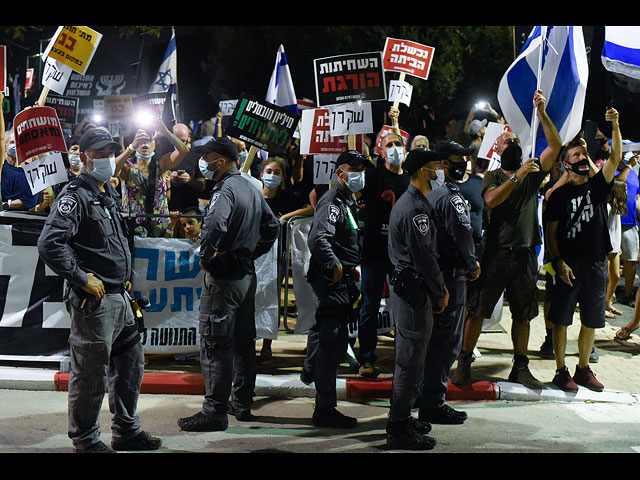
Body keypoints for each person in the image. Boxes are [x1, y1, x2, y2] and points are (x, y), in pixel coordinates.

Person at [37, 127, 161, 453]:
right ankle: (86, 440)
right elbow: (50, 243)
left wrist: (125, 277)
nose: (107, 158)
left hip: (120, 296)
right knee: (91, 374)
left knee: (131, 368)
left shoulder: (106, 193)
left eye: (110, 152)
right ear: (83, 157)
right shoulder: (74, 195)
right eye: (100, 153)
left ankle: (127, 432)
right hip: (95, 301)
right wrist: (80, 278)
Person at [451, 90, 562, 390]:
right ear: (496, 149)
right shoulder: (494, 176)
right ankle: (463, 364)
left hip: (525, 254)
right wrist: (518, 175)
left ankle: (521, 367)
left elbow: (556, 145)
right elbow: (490, 201)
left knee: (523, 313)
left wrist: (541, 112)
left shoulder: (533, 171)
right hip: (497, 253)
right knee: (478, 310)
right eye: (506, 140)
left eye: (514, 140)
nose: (511, 141)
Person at [177, 136, 280, 431]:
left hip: (224, 279)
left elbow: (214, 226)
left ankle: (214, 412)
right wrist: (249, 253)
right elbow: (271, 228)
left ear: (220, 161)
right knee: (243, 344)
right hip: (246, 276)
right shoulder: (251, 187)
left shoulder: (225, 190)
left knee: (215, 345)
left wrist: (209, 257)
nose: (202, 162)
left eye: (206, 157)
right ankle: (242, 402)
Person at [546, 108, 622, 392]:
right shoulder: (558, 196)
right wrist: (558, 260)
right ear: (565, 164)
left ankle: (582, 369)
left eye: (583, 154)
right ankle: (560, 370)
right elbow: (552, 233)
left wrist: (614, 125)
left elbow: (614, 158)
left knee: (591, 319)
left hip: (595, 263)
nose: (581, 158)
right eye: (575, 155)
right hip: (569, 264)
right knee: (561, 319)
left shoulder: (598, 186)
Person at [385, 147, 449, 450]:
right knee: (410, 362)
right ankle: (398, 427)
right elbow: (424, 258)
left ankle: (402, 417)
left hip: (411, 290)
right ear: (424, 171)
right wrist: (440, 290)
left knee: (412, 360)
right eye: (436, 165)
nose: (440, 169)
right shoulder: (414, 210)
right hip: (414, 292)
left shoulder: (414, 203)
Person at [301, 150, 368, 429]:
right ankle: (325, 408)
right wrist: (335, 264)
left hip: (343, 280)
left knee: (326, 331)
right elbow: (318, 238)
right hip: (333, 279)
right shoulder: (332, 200)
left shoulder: (346, 200)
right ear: (340, 173)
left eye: (362, 169)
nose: (359, 174)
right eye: (354, 169)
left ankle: (310, 370)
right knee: (332, 341)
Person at [416, 141, 481, 425]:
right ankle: (433, 402)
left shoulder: (426, 193)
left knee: (431, 341)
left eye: (464, 158)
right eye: (456, 159)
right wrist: (472, 263)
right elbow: (463, 234)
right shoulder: (451, 196)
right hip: (451, 277)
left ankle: (422, 394)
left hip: (431, 275)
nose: (461, 164)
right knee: (446, 343)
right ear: (442, 163)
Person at [357, 128, 410, 378]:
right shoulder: (373, 176)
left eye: (397, 144)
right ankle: (367, 358)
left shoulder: (410, 180)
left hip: (402, 256)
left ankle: (404, 357)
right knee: (369, 307)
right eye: (389, 145)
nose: (394, 148)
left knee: (404, 308)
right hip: (374, 254)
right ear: (380, 151)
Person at [258, 157, 313, 363]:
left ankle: (266, 346)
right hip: (253, 257)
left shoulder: (287, 197)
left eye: (277, 172)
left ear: (283, 178)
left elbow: (310, 208)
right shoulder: (254, 195)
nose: (272, 175)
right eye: (269, 171)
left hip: (276, 258)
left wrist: (286, 217)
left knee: (270, 298)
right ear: (261, 174)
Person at [115, 117, 189, 237]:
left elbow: (183, 151)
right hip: (133, 227)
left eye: (149, 140)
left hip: (159, 228)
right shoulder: (127, 167)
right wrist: (130, 147)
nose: (145, 144)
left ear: (155, 144)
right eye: (141, 140)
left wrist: (166, 132)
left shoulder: (162, 164)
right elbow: (112, 170)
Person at [617, 149, 640, 307]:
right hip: (615, 221)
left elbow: (637, 196)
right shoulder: (613, 170)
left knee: (631, 259)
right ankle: (608, 295)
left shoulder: (634, 174)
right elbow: (617, 184)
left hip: (630, 222)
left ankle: (627, 293)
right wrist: (628, 166)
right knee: (612, 260)